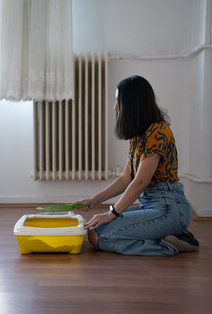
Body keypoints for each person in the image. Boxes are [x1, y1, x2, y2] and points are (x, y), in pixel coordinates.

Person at [75, 75, 199, 256]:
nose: (115, 107)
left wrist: (111, 214)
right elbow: (127, 178)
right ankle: (166, 236)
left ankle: (170, 245)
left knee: (101, 236)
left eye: (118, 101)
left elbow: (140, 182)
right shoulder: (138, 135)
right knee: (94, 229)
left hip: (170, 209)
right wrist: (94, 200)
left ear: (132, 103)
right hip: (151, 205)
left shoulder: (158, 132)